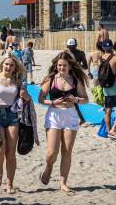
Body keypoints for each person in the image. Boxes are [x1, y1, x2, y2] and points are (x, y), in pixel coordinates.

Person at [38, 51, 89, 193]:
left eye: (64, 65)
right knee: (51, 152)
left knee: (67, 151)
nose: (61, 68)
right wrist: (53, 102)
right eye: (59, 65)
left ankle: (63, 183)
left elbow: (86, 99)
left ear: (70, 66)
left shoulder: (75, 80)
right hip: (54, 115)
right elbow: (41, 98)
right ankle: (48, 167)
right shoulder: (51, 79)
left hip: (70, 116)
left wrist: (76, 100)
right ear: (56, 65)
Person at [0, 55, 30, 194]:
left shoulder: (17, 81)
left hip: (12, 116)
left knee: (10, 153)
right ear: (2, 65)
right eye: (6, 64)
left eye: (11, 65)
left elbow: (28, 99)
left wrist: (25, 95)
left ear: (15, 67)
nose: (8, 67)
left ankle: (10, 183)